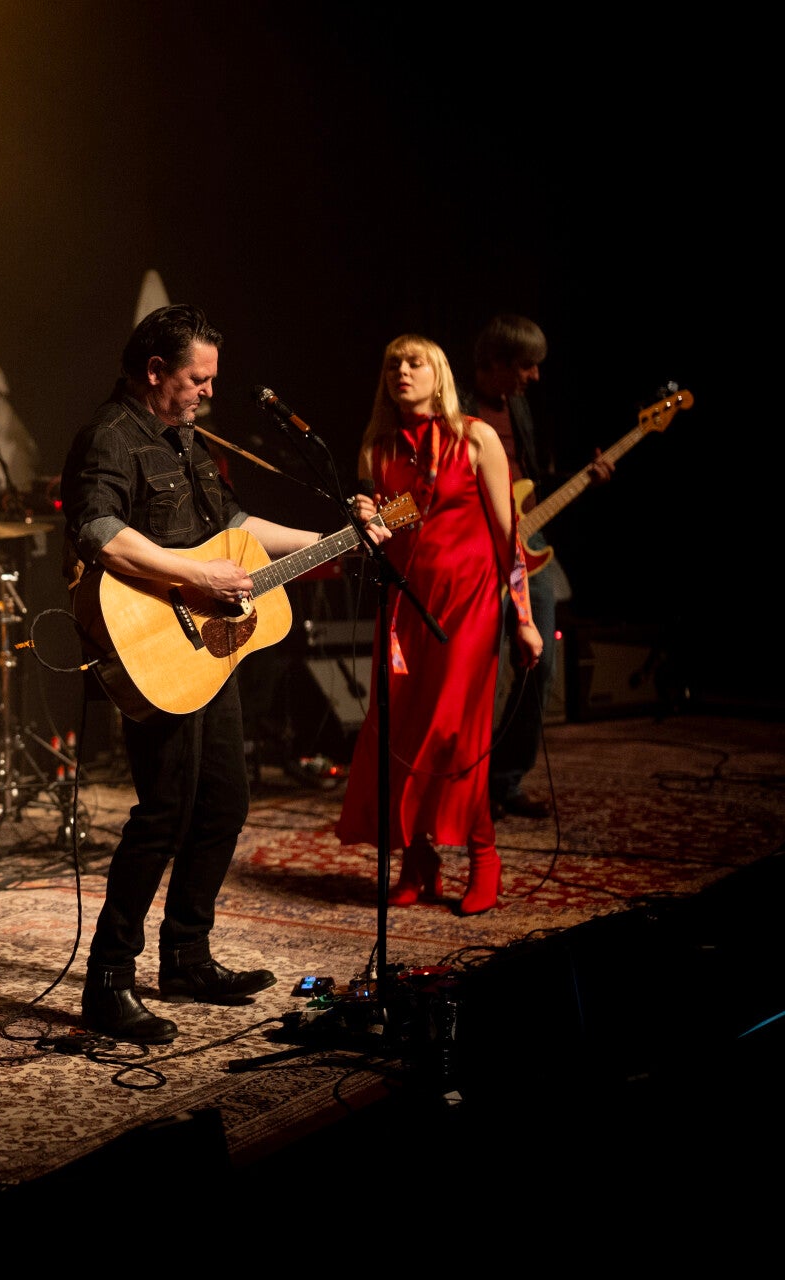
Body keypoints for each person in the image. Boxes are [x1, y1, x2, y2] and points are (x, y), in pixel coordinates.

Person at [61, 304, 389, 1044]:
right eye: (198, 379)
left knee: (223, 803)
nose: (209, 392)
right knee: (163, 813)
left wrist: (335, 539)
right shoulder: (110, 435)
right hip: (156, 644)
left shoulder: (187, 438)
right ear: (155, 372)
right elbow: (99, 533)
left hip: (209, 649)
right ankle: (107, 980)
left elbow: (237, 530)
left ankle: (187, 956)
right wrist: (195, 577)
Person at [334, 336, 541, 916]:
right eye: (392, 364)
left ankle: (483, 854)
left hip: (470, 607)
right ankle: (417, 858)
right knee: (400, 733)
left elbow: (508, 536)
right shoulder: (377, 449)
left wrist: (524, 620)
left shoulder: (477, 438)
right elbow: (405, 519)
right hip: (404, 610)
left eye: (414, 362)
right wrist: (370, 517)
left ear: (439, 373)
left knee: (454, 733)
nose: (401, 371)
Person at [464, 315, 612, 819]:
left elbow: (530, 475)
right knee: (479, 671)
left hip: (529, 541)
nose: (535, 376)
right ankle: (467, 786)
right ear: (497, 361)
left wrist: (584, 478)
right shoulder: (456, 406)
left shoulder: (519, 406)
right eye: (526, 365)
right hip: (480, 545)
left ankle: (505, 779)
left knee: (541, 661)